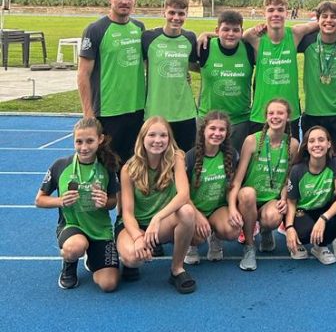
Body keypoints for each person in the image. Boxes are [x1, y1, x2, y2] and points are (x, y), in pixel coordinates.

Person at [36, 117, 120, 291]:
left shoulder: (108, 166)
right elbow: (40, 200)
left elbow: (113, 201)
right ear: (73, 141)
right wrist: (60, 201)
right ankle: (69, 264)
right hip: (72, 226)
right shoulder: (60, 166)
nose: (84, 147)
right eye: (79, 142)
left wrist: (105, 202)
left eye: (90, 141)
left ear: (100, 139)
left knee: (109, 284)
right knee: (75, 247)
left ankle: (92, 258)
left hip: (100, 229)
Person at [115, 116, 197, 293]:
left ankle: (177, 269)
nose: (158, 140)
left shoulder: (176, 158)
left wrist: (157, 218)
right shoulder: (128, 169)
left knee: (187, 212)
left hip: (160, 224)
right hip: (134, 224)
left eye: (163, 135)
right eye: (152, 135)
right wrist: (137, 237)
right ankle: (128, 257)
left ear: (169, 138)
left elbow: (184, 195)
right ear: (142, 138)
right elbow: (127, 213)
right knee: (132, 258)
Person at [77, 0, 145, 164]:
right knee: (107, 166)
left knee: (133, 167)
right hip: (107, 112)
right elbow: (83, 74)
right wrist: (88, 113)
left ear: (135, 0)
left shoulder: (139, 28)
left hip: (137, 110)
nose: (125, 1)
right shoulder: (95, 30)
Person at [229, 98, 300, 271]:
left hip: (271, 200)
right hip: (248, 199)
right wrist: (231, 206)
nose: (275, 117)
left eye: (280, 113)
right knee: (248, 194)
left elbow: (288, 178)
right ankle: (249, 247)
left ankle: (266, 230)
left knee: (273, 217)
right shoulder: (252, 140)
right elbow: (238, 179)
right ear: (266, 117)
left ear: (288, 117)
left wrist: (283, 198)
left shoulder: (292, 144)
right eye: (271, 113)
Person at [241, 0, 318, 137]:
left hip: (289, 113)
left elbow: (322, 23)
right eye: (271, 10)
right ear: (264, 14)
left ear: (287, 13)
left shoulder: (295, 34)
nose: (275, 14)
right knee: (258, 151)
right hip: (261, 114)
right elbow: (231, 37)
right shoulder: (254, 37)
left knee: (290, 151)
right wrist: (206, 34)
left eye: (280, 10)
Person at [285, 126, 336, 265]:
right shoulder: (297, 170)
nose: (317, 144)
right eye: (312, 141)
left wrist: (323, 219)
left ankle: (320, 247)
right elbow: (291, 202)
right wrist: (289, 227)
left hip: (322, 209)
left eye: (321, 140)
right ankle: (298, 241)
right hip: (301, 211)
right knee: (305, 233)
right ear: (306, 146)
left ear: (328, 144)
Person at [141, 0, 199, 151]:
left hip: (185, 112)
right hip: (156, 111)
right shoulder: (148, 38)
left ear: (187, 14)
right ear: (164, 12)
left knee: (184, 158)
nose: (176, 18)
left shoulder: (190, 38)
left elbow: (194, 65)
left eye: (181, 13)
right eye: (172, 12)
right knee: (155, 158)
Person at [183, 111, 241, 265]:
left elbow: (232, 186)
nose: (217, 133)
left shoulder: (231, 154)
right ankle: (191, 245)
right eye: (212, 128)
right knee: (197, 235)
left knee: (233, 230)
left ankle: (215, 237)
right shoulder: (190, 157)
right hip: (194, 209)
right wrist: (198, 216)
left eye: (222, 129)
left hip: (217, 209)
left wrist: (233, 208)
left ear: (227, 133)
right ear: (203, 130)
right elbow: (182, 194)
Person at [297, 1, 336, 157]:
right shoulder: (307, 41)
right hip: (313, 113)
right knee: (310, 159)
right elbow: (286, 35)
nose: (329, 20)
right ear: (317, 20)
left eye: (334, 17)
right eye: (324, 16)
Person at [196, 10, 255, 151]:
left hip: (240, 121)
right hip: (208, 120)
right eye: (226, 29)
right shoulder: (205, 46)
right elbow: (187, 64)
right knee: (205, 160)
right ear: (217, 31)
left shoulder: (249, 49)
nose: (231, 34)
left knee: (236, 160)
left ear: (242, 32)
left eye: (236, 30)